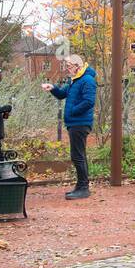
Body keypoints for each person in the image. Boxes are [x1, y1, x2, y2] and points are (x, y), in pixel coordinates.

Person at [44, 54, 97, 200]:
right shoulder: (74, 80)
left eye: (69, 66)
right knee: (79, 155)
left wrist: (72, 111)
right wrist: (52, 88)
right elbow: (62, 94)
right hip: (74, 123)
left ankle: (83, 188)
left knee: (77, 156)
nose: (67, 69)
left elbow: (89, 102)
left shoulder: (87, 80)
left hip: (80, 123)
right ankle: (81, 187)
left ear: (77, 66)